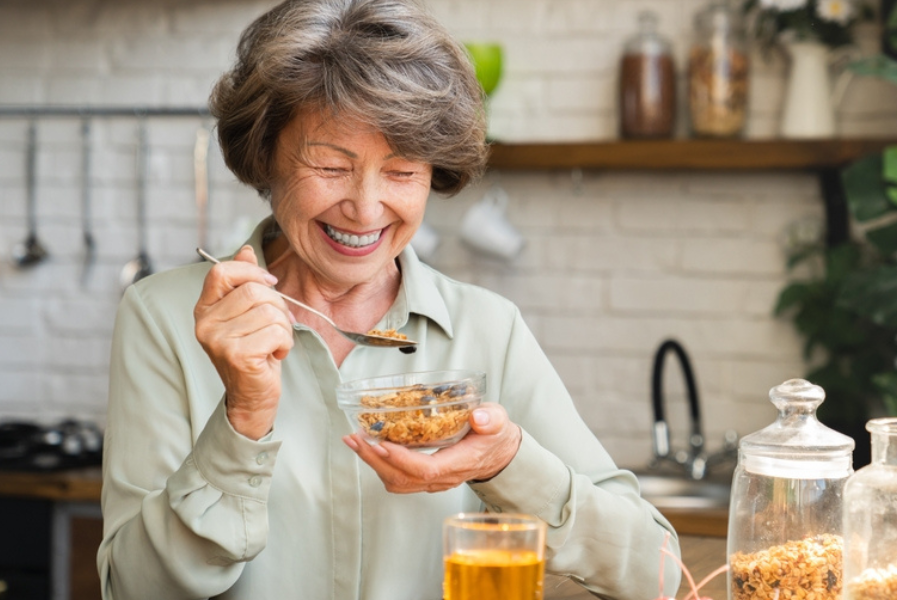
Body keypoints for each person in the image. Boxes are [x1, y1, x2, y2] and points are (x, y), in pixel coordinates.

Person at [97, 0, 681, 598]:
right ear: (265, 157)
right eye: (329, 164)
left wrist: (507, 462)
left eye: (402, 172)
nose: (366, 208)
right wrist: (242, 422)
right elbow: (134, 587)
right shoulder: (164, 318)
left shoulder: (487, 328)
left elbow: (654, 571)